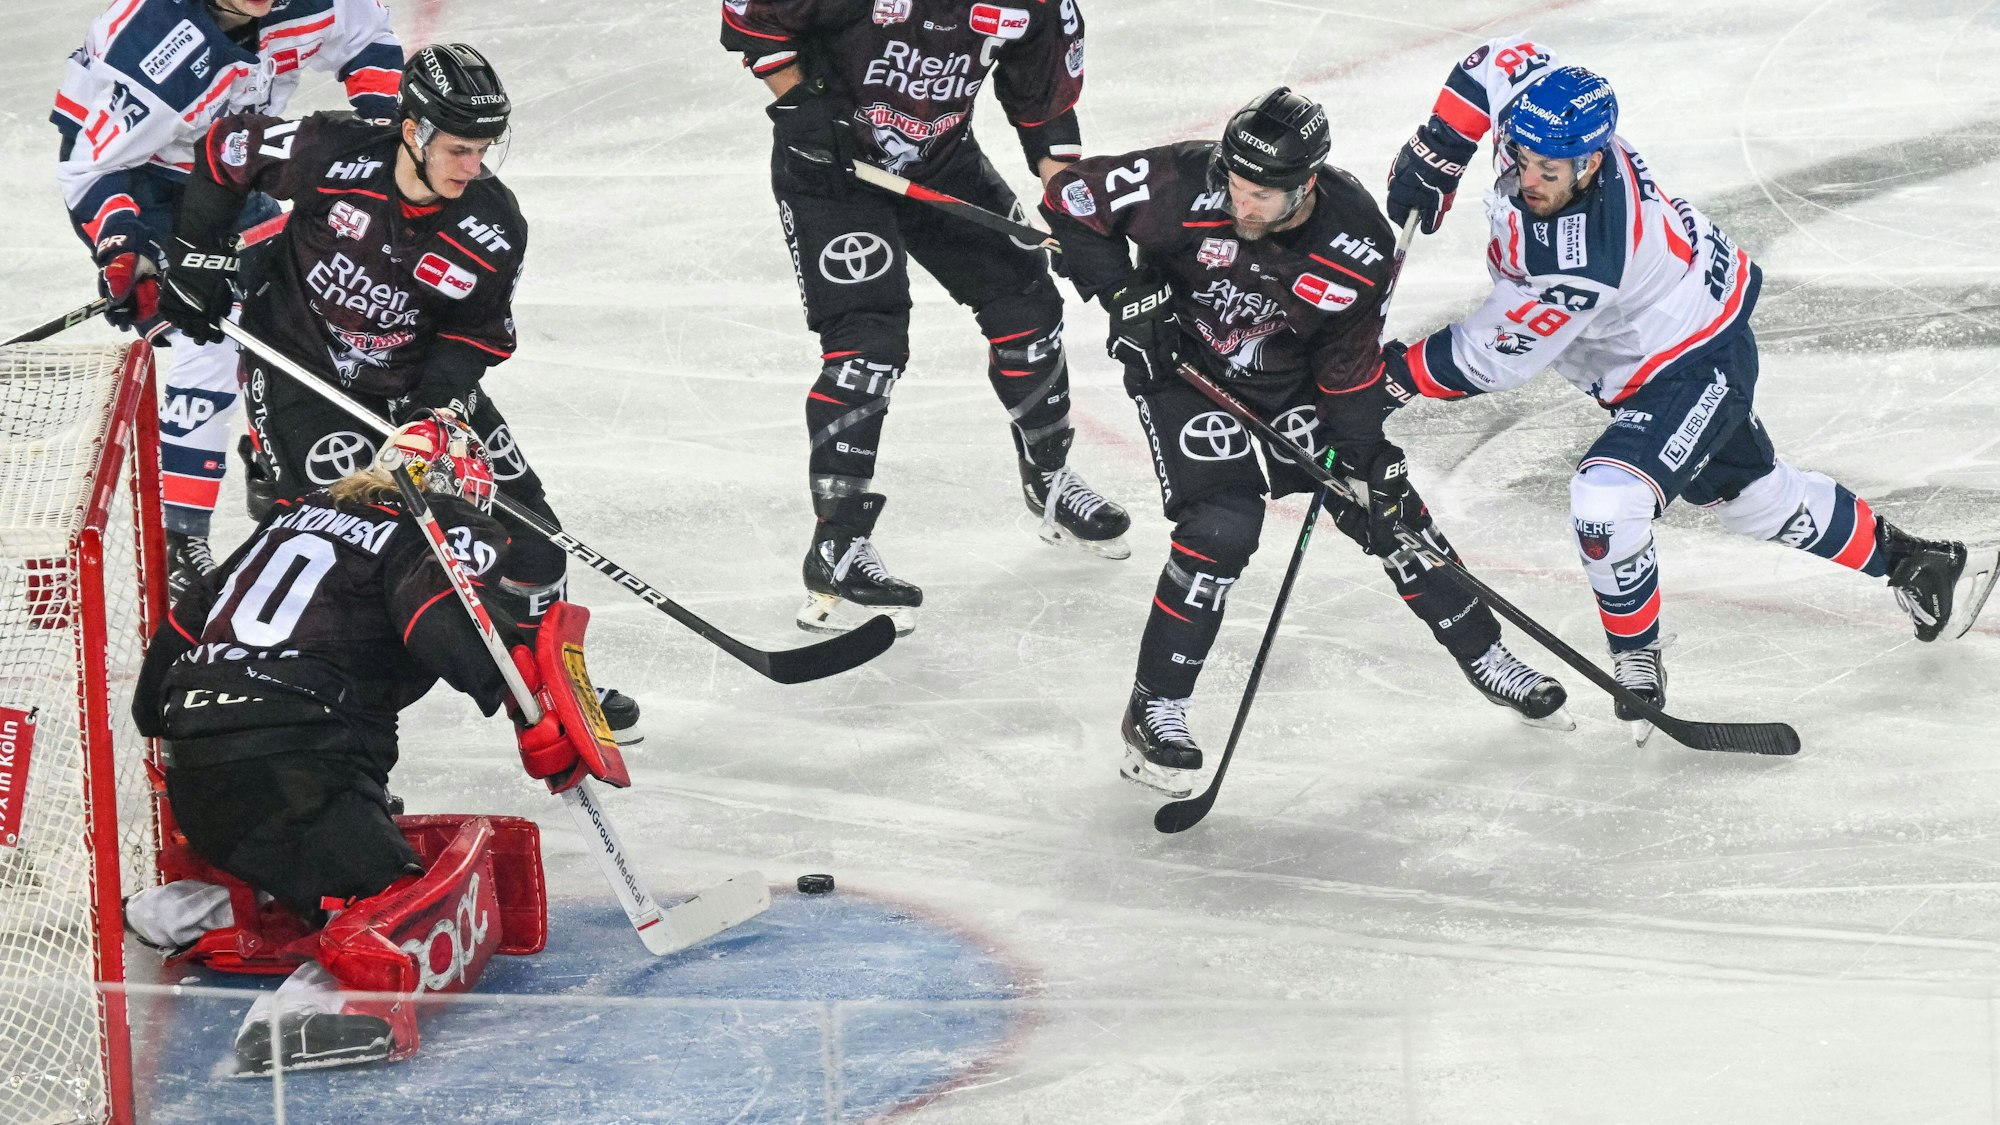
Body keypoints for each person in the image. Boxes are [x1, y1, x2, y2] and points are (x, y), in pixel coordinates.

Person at [1357, 41, 1998, 743]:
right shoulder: (1550, 125)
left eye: (1549, 169)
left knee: (1606, 500)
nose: (1529, 177)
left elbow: (1493, 356)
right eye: (1521, 156)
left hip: (1691, 365)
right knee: (1756, 500)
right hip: (1685, 331)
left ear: (1591, 161)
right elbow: (1499, 61)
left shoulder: (1583, 257)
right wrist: (1441, 144)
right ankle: (1922, 563)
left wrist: (1387, 377)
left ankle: (1637, 659)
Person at [1039, 88, 1570, 797]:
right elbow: (1070, 200)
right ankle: (1155, 708)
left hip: (1293, 387)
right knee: (1222, 525)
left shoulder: (1356, 245)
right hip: (1186, 372)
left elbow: (1348, 369)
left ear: (1307, 185)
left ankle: (1487, 654)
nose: (1241, 204)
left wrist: (1366, 455)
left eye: (1261, 194)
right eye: (1235, 184)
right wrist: (1126, 294)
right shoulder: (1182, 180)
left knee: (1388, 511)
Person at [153, 42, 642, 741]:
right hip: (301, 373)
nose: (473, 168)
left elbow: (475, 336)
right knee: (341, 549)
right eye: (459, 150)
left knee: (534, 543)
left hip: (415, 385)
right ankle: (323, 729)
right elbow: (228, 148)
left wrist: (429, 412)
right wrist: (199, 257)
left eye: (484, 151)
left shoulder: (493, 225)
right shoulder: (333, 152)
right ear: (412, 131)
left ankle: (552, 681)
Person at [126, 414, 595, 1071]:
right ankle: (315, 1007)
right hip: (297, 762)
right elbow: (439, 621)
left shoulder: (293, 514)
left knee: (314, 840)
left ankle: (180, 908)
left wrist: (168, 717)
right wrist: (523, 702)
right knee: (390, 895)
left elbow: (179, 629)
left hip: (197, 767)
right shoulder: (429, 518)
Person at [719, 0, 1132, 637]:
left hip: (941, 160)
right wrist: (798, 102)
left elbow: (1045, 112)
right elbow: (750, 13)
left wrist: (1071, 214)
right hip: (833, 165)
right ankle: (838, 546)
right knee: (868, 346)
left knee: (1029, 307)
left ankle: (1048, 478)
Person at [52, 0, 405, 598]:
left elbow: (368, 40)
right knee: (208, 343)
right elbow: (91, 168)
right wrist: (124, 248)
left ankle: (271, 458)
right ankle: (180, 541)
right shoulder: (151, 45)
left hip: (235, 164)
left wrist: (385, 140)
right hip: (147, 180)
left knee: (306, 313)